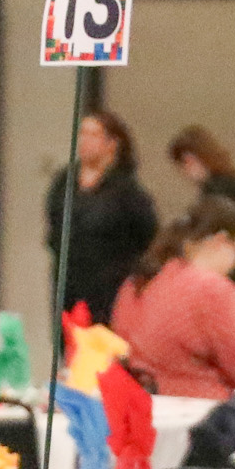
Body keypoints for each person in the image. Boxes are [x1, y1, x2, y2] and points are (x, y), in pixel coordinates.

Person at [110, 197, 235, 401]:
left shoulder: (135, 284)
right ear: (221, 241)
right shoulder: (211, 289)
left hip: (139, 407)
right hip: (202, 414)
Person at [45, 109, 158, 324]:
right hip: (68, 283)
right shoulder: (64, 181)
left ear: (111, 143)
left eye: (93, 135)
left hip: (108, 288)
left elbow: (147, 235)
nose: (85, 141)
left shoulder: (126, 190)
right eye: (82, 134)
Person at [168, 124, 235, 217]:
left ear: (204, 156)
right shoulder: (224, 182)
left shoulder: (220, 189)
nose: (185, 169)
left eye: (188, 161)